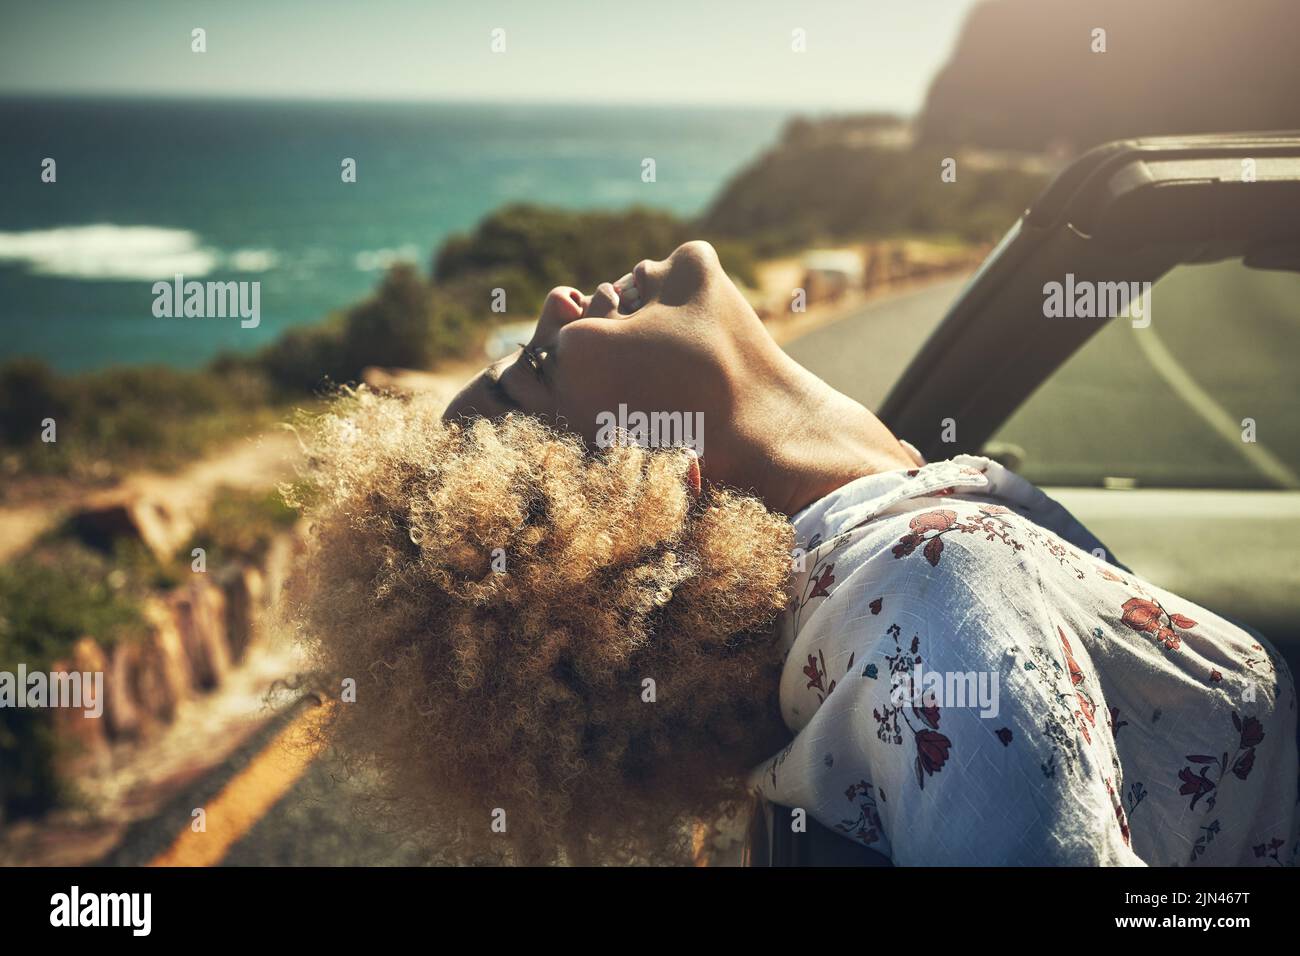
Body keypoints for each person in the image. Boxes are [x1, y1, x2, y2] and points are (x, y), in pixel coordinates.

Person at [287, 241, 1298, 866]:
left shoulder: (896, 571)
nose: (555, 300)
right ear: (644, 484)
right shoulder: (936, 591)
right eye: (536, 370)